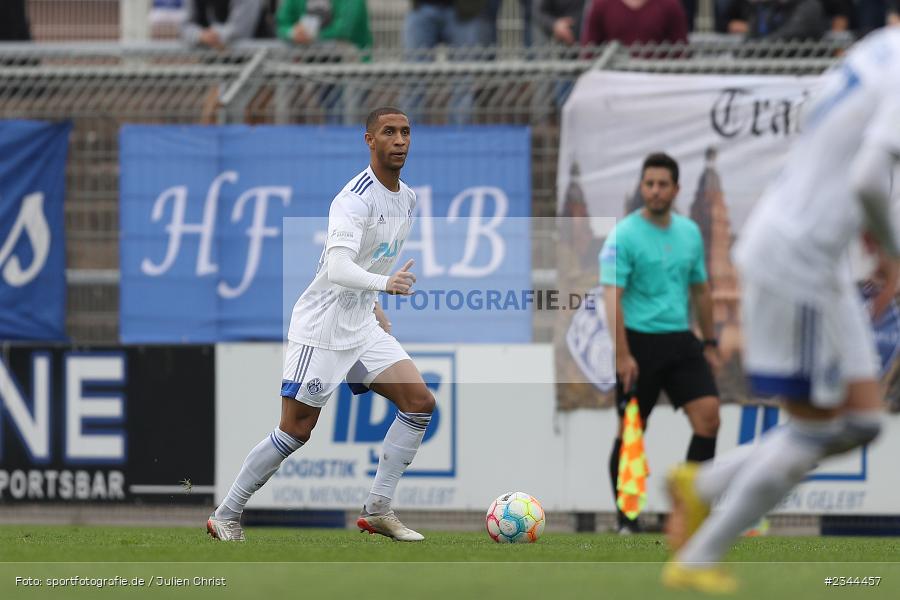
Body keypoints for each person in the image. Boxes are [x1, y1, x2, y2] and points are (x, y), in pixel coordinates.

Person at [663, 29, 900, 593]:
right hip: (802, 258)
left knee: (863, 422)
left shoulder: (879, 47)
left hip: (814, 254)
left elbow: (832, 146)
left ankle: (703, 484)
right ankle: (698, 557)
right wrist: (894, 253)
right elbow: (870, 177)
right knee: (814, 430)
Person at [207, 107, 434, 543]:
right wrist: (385, 285)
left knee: (419, 402)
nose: (400, 140)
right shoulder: (353, 199)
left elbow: (371, 258)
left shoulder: (407, 198)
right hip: (323, 327)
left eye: (406, 132)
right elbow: (338, 267)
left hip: (361, 324)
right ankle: (226, 514)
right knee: (296, 430)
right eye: (389, 132)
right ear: (369, 140)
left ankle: (378, 509)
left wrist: (374, 304)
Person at [600, 153, 722, 534]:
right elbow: (611, 297)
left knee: (709, 418)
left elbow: (700, 290)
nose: (654, 191)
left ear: (676, 189)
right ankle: (627, 520)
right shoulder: (624, 235)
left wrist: (710, 340)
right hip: (638, 344)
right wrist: (623, 355)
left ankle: (689, 513)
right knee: (631, 432)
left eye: (662, 184)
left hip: (680, 341)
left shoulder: (689, 233)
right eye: (649, 184)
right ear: (642, 187)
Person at [580, 0, 689, 46]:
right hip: (612, 81)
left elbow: (681, 51)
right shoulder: (601, 5)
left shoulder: (670, 5)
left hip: (658, 81)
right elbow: (588, 52)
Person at [181, 0, 270, 49]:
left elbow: (241, 30)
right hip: (215, 61)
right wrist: (199, 35)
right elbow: (185, 26)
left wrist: (215, 35)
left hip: (257, 60)